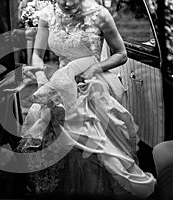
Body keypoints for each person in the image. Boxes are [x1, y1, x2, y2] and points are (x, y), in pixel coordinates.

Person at [17, 0, 156, 199]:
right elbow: (37, 55)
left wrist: (95, 68)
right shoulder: (47, 15)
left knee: (94, 150)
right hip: (60, 87)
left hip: (91, 87)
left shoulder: (100, 14)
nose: (65, 3)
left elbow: (121, 54)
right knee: (60, 148)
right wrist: (40, 78)